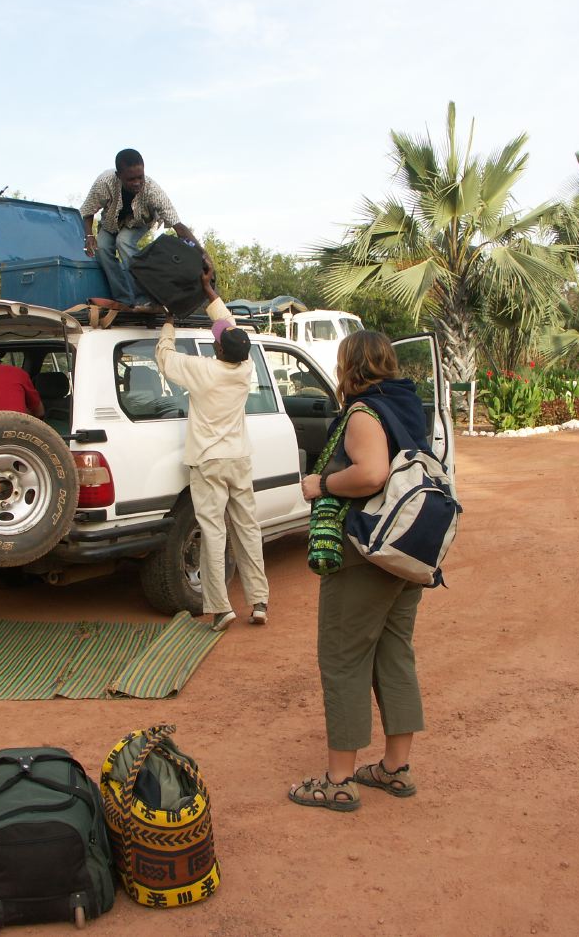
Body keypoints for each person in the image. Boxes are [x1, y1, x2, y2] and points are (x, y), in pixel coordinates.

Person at [288, 330, 429, 811]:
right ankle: (394, 768)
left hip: (365, 552)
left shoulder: (364, 413)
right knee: (394, 654)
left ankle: (339, 780)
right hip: (407, 551)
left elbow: (371, 474)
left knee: (343, 657)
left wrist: (320, 483)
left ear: (349, 365)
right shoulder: (409, 406)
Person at [153, 267, 269, 632]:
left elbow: (164, 357)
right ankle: (259, 601)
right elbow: (231, 328)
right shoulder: (244, 369)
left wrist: (169, 323)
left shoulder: (202, 371)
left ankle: (221, 608)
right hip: (238, 458)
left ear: (218, 348)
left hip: (207, 462)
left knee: (213, 532)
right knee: (248, 529)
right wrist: (211, 294)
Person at [80, 148, 197, 305]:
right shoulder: (104, 183)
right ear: (118, 176)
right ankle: (124, 299)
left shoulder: (152, 189)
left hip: (139, 222)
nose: (137, 183)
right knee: (101, 248)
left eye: (140, 177)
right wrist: (89, 236)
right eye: (131, 179)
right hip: (110, 222)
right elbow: (87, 211)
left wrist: (202, 255)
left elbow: (178, 226)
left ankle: (144, 298)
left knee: (123, 241)